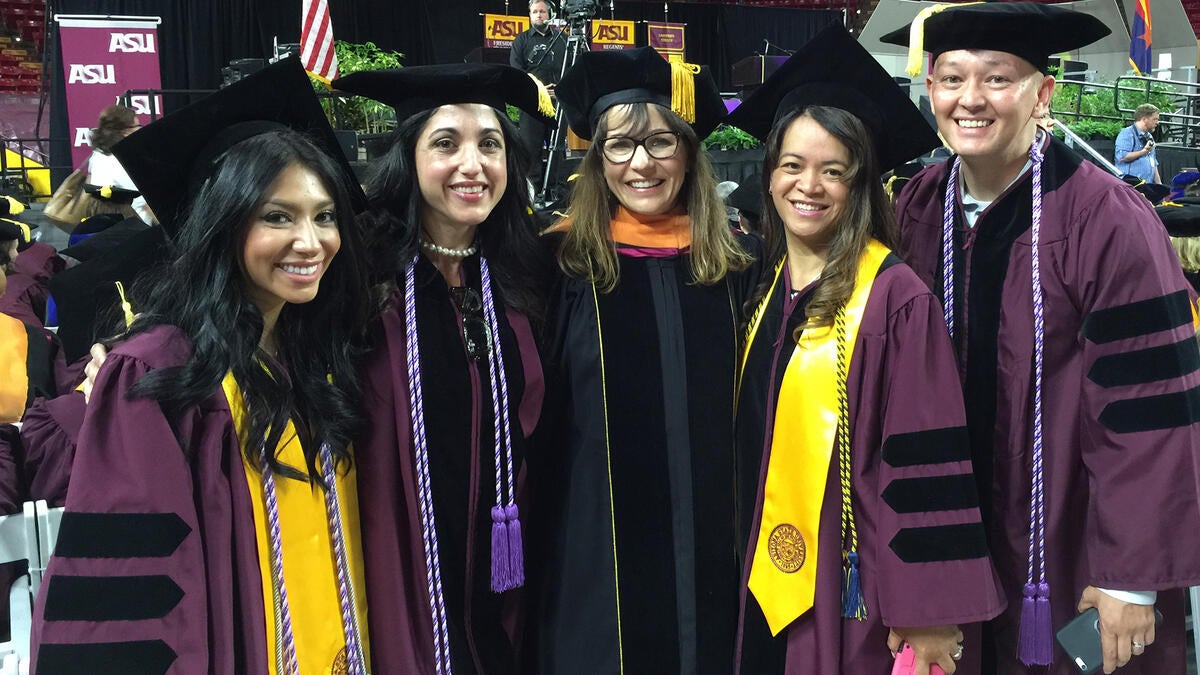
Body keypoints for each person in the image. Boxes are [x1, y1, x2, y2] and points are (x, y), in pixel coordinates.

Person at [30, 57, 379, 673]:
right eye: (277, 216)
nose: (311, 240)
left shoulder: (315, 356)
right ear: (223, 224)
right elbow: (131, 600)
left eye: (324, 216)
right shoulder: (154, 374)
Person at [883, 4, 1200, 674]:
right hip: (951, 543)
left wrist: (1130, 574)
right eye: (951, 79)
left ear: (1042, 93)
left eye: (998, 78)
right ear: (931, 90)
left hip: (1071, 537)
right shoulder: (917, 203)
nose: (970, 99)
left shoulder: (1105, 218)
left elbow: (1150, 401)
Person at [725, 25, 1004, 675]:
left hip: (852, 594)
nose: (809, 186)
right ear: (768, 176)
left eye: (833, 171)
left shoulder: (895, 301)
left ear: (861, 185)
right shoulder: (764, 290)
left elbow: (924, 460)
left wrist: (927, 610)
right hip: (756, 579)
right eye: (792, 165)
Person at [528, 46, 759, 674]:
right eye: (620, 147)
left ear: (688, 151)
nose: (641, 164)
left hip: (718, 541)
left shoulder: (739, 266)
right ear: (597, 160)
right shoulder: (557, 266)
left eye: (660, 142)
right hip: (593, 549)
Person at [331, 63, 553, 673]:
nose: (472, 165)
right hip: (397, 549)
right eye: (446, 144)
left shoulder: (523, 273)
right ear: (409, 159)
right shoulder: (359, 274)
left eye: (490, 144)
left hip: (505, 555)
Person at [509, 0, 566, 184]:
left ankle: (555, 190)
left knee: (557, 150)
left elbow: (573, 69)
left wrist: (562, 90)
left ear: (549, 14)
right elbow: (517, 73)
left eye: (542, 11)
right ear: (530, 15)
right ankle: (532, 195)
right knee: (530, 150)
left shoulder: (563, 39)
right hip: (532, 103)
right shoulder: (521, 40)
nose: (539, 15)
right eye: (535, 11)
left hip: (558, 104)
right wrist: (541, 90)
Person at [1115, 103, 1160, 184]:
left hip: (1146, 186)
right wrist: (1144, 151)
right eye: (1155, 119)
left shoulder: (1149, 136)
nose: (1157, 123)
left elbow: (1153, 163)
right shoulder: (1127, 133)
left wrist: (1159, 186)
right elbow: (1122, 157)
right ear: (1144, 119)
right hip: (1130, 186)